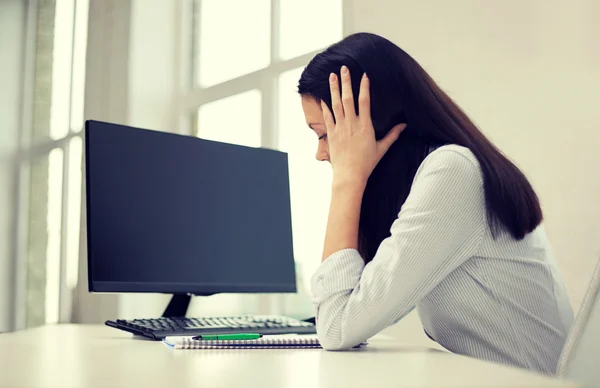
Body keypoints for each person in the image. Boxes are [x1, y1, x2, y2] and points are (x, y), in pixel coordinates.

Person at [297, 32, 573, 375]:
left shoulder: (454, 172)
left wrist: (348, 180)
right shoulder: (430, 178)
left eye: (325, 135)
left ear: (371, 122)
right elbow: (342, 318)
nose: (321, 153)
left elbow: (337, 327)